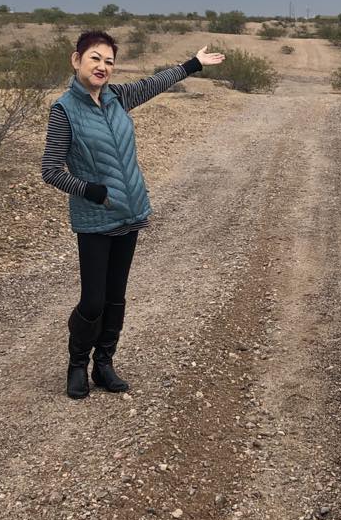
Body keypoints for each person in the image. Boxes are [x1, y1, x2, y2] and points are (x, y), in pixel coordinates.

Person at [40, 31, 224, 399]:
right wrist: (90, 190)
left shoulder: (118, 97)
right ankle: (77, 364)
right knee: (93, 300)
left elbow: (155, 83)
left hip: (130, 213)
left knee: (116, 297)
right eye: (95, 58)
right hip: (94, 220)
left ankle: (104, 364)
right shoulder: (64, 110)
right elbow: (50, 169)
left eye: (109, 61)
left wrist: (193, 64)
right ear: (76, 60)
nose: (102, 67)